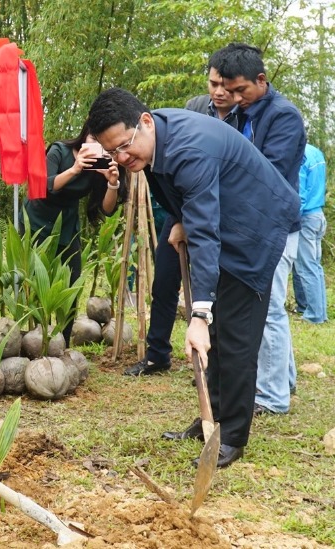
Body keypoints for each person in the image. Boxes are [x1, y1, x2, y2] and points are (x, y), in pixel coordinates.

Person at [87, 87, 298, 468]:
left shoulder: (189, 148)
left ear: (145, 122)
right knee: (218, 337)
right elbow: (182, 199)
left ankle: (232, 436)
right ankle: (210, 422)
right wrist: (180, 219)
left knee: (234, 336)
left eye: (123, 146)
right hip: (224, 220)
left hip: (255, 228)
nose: (121, 157)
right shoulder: (152, 141)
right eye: (112, 151)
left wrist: (198, 314)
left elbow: (205, 232)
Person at [124, 62, 246, 376]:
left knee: (214, 286)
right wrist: (180, 219)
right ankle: (157, 353)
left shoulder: (246, 118)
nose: (218, 91)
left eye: (225, 86)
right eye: (212, 83)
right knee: (164, 280)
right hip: (182, 212)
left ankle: (210, 364)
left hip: (221, 215)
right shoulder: (194, 109)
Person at [215, 43, 306, 416]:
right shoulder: (239, 114)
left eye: (240, 90)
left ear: (262, 80)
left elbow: (268, 173)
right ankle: (282, 380)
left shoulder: (284, 117)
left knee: (267, 310)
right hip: (250, 227)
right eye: (227, 89)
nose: (234, 98)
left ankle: (270, 397)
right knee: (265, 308)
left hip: (276, 228)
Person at [23, 121, 127, 344]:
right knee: (37, 284)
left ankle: (63, 341)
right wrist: (75, 168)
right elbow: (44, 185)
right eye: (93, 140)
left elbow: (107, 210)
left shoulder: (101, 166)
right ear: (84, 135)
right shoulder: (59, 151)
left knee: (71, 282)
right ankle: (36, 340)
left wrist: (111, 182)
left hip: (67, 224)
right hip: (37, 221)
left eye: (102, 144)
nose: (96, 147)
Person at [292, 144, 327, 324]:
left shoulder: (300, 155)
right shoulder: (315, 151)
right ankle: (313, 309)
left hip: (305, 217)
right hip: (318, 214)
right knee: (315, 266)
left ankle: (314, 315)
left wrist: (291, 219)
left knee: (306, 267)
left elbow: (300, 193)